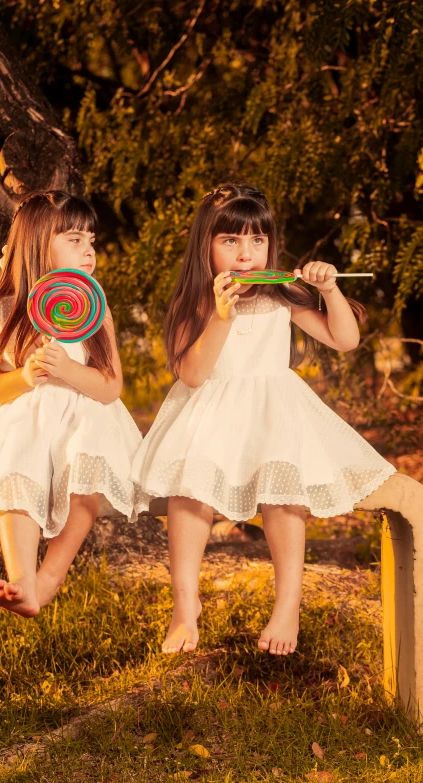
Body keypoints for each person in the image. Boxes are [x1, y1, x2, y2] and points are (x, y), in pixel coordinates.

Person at [130, 182, 396, 656]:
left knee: (283, 497)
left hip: (274, 413)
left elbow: (345, 339)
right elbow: (193, 375)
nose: (246, 253)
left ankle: (287, 604)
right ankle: (185, 607)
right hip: (210, 414)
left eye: (257, 240)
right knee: (190, 496)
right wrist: (221, 316)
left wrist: (329, 289)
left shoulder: (282, 297)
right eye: (230, 241)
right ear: (205, 246)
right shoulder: (196, 301)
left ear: (271, 246)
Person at [0, 190, 142, 617]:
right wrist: (23, 377)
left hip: (83, 421)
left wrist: (67, 370)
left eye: (91, 241)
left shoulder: (95, 308)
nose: (89, 251)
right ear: (37, 243)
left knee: (85, 480)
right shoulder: (0, 312)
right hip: (24, 424)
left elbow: (111, 387)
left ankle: (47, 580)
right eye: (75, 239)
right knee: (16, 474)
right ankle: (22, 575)